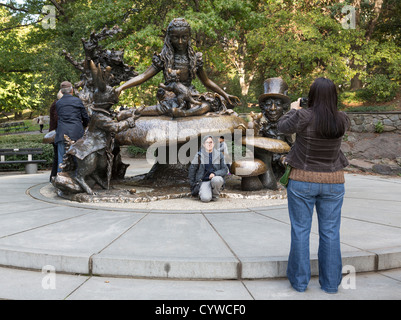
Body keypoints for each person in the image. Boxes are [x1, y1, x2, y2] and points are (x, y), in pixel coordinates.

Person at [277, 77, 350, 294]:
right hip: (334, 182)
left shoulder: (302, 115)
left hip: (303, 180)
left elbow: (281, 127)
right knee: (330, 232)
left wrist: (292, 109)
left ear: (312, 96)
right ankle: (330, 285)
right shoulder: (342, 119)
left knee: (301, 231)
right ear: (334, 96)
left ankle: (300, 283)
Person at [115, 18, 240, 117]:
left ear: (189, 37)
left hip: (190, 93)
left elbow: (206, 81)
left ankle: (184, 113)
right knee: (168, 107)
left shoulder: (195, 58)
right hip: (171, 94)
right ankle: (132, 112)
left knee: (212, 102)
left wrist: (225, 94)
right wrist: (122, 87)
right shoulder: (164, 58)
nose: (180, 41)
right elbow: (143, 76)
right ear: (170, 38)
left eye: (184, 37)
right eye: (176, 37)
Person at [55, 81, 89, 173]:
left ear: (61, 92)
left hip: (62, 133)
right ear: (72, 90)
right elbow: (85, 117)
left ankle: (60, 180)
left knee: (61, 160)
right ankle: (77, 180)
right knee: (77, 159)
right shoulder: (77, 101)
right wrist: (85, 125)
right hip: (76, 133)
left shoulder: (58, 103)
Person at [188, 136, 228, 202]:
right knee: (205, 199)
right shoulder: (199, 155)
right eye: (207, 142)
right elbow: (192, 170)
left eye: (211, 142)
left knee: (217, 180)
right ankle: (206, 192)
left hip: (215, 179)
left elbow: (225, 170)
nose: (209, 144)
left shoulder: (219, 155)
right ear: (203, 144)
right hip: (204, 181)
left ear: (214, 143)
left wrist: (215, 174)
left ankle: (215, 196)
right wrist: (192, 185)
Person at [49, 90, 62, 181]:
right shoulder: (57, 104)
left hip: (56, 133)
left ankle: (53, 176)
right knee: (58, 156)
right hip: (57, 134)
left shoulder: (55, 104)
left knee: (57, 156)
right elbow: (57, 119)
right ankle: (53, 177)